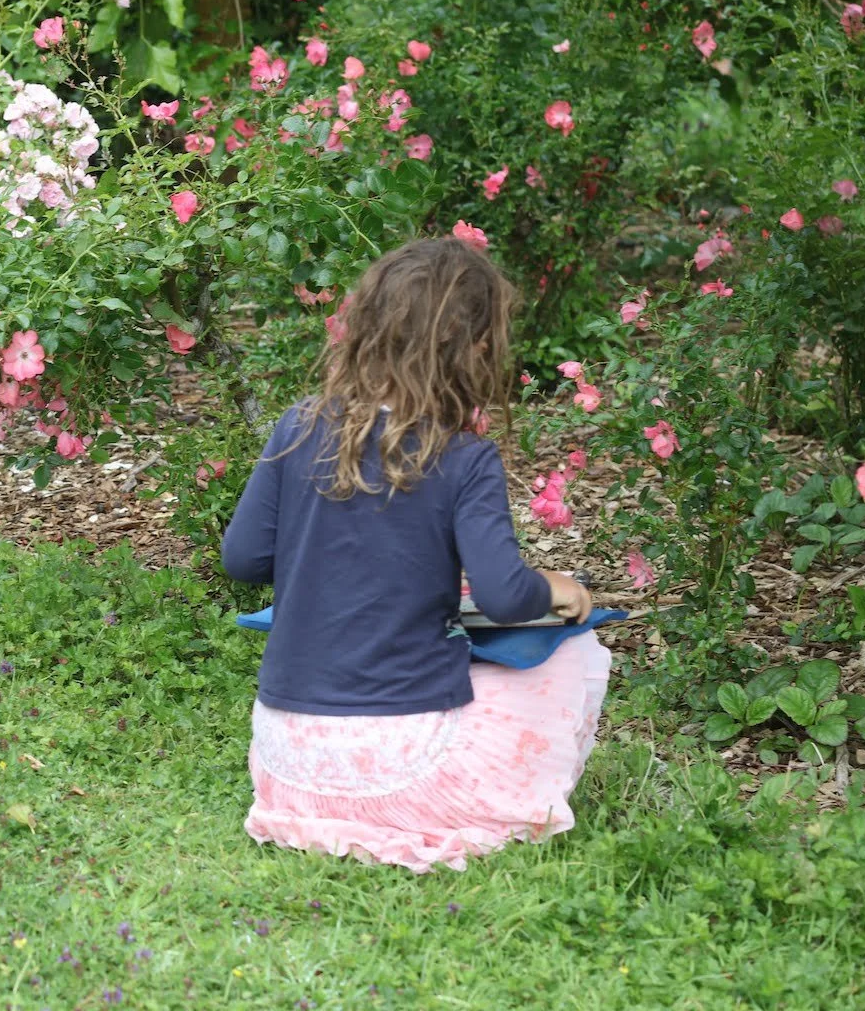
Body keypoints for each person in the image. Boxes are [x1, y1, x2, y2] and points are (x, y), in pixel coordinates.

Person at [221, 237, 607, 873]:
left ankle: (324, 815)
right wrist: (557, 587)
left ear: (365, 326)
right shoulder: (463, 457)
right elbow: (506, 595)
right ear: (478, 346)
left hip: (286, 764)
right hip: (406, 771)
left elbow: (243, 560)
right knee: (575, 653)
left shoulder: (297, 426)